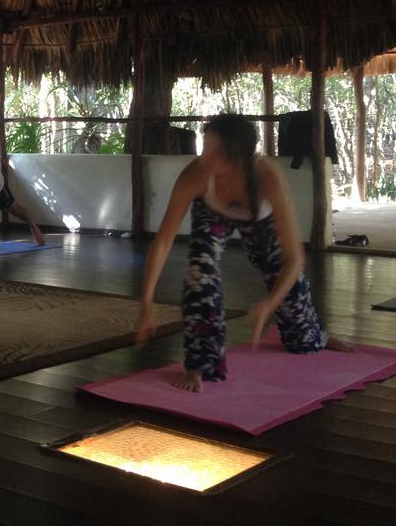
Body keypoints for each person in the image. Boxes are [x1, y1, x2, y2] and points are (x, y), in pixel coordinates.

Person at [135, 114, 354, 393]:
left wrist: (269, 304)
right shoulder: (196, 174)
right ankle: (199, 364)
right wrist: (146, 303)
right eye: (204, 146)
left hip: (261, 220)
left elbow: (294, 258)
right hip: (212, 212)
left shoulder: (267, 177)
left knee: (300, 333)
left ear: (236, 158)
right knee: (200, 273)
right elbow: (164, 241)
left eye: (212, 152)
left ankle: (316, 335)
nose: (203, 157)